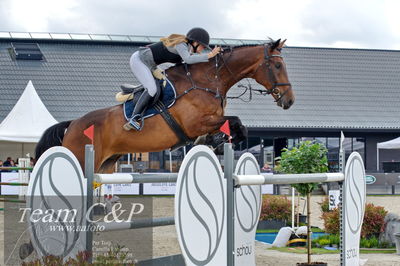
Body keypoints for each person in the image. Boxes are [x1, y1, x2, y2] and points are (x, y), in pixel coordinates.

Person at [123, 27, 222, 131]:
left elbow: (190, 62)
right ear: (195, 42)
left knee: (161, 87)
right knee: (152, 89)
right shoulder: (181, 44)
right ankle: (134, 118)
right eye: (203, 46)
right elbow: (188, 60)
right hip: (139, 60)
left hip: (150, 65)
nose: (203, 49)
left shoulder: (186, 50)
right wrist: (210, 55)